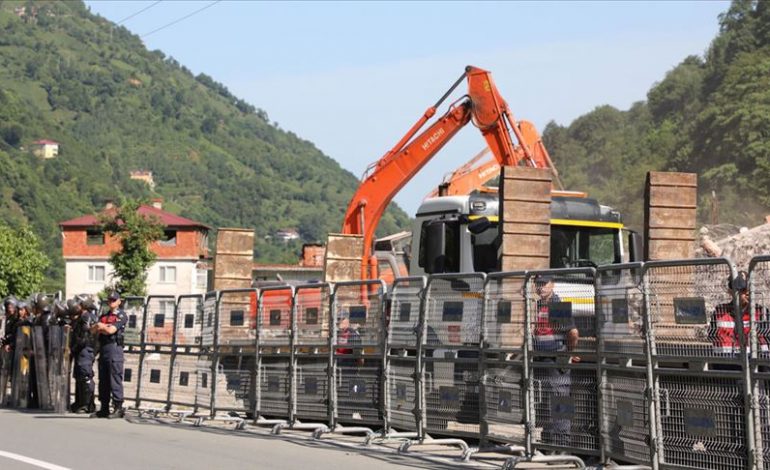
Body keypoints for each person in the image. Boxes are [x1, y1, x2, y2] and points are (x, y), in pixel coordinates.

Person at [532, 274, 579, 448]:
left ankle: (562, 444)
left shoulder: (557, 305)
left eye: (544, 284)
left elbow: (573, 333)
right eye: (538, 284)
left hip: (556, 358)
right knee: (546, 400)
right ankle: (549, 440)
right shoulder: (538, 305)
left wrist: (569, 352)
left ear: (553, 284)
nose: (540, 287)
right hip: (542, 358)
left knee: (560, 399)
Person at [709, 270, 767, 370]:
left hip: (754, 361)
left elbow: (765, 340)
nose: (747, 292)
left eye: (749, 289)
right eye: (743, 289)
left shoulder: (760, 312)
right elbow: (712, 334)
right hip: (726, 362)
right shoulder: (720, 311)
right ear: (731, 291)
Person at [91, 291, 127, 418]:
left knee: (115, 379)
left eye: (114, 300)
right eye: (110, 300)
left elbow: (111, 330)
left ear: (119, 301)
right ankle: (104, 407)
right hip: (104, 348)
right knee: (103, 380)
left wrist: (102, 327)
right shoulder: (104, 316)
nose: (111, 302)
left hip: (115, 349)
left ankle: (118, 408)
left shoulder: (121, 315)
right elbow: (93, 330)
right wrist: (101, 327)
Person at [70, 296, 98, 413]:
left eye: (79, 303)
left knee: (86, 376)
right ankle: (80, 402)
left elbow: (85, 337)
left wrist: (74, 347)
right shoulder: (82, 317)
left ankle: (88, 404)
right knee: (79, 376)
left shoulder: (87, 317)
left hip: (85, 350)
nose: (76, 305)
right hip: (81, 350)